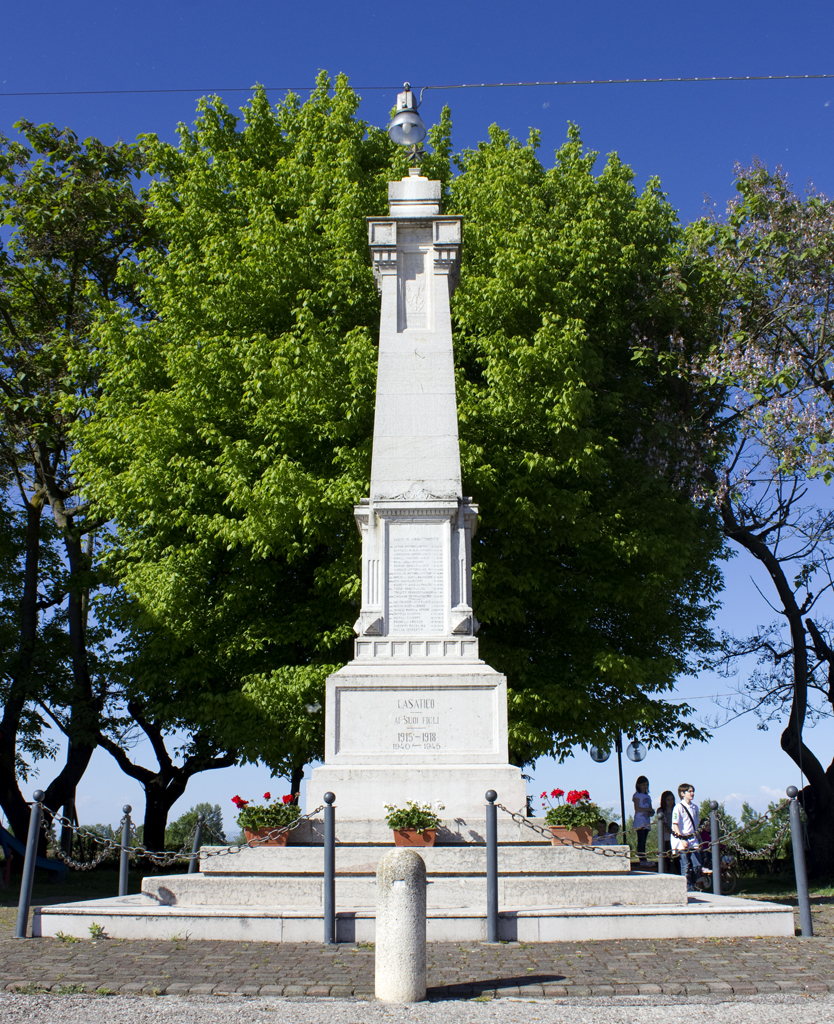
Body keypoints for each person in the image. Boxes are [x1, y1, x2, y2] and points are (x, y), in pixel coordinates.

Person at [671, 783, 712, 892]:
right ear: (683, 793)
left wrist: (698, 839)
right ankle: (686, 887)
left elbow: (696, 825)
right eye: (689, 791)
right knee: (685, 865)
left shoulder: (695, 807)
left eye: (692, 791)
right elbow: (675, 825)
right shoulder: (678, 807)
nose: (692, 793)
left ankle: (692, 883)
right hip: (682, 838)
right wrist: (681, 839)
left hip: (692, 838)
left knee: (697, 865)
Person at [632, 775, 653, 867]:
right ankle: (642, 859)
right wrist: (647, 810)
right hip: (640, 820)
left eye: (646, 784)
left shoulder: (648, 796)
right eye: (643, 784)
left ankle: (644, 858)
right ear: (639, 785)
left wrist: (651, 811)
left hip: (646, 820)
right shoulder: (637, 795)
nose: (645, 786)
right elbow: (637, 808)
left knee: (644, 840)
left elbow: (650, 808)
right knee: (641, 840)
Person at [656, 790, 678, 874]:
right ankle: (667, 871)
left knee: (676, 856)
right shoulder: (661, 810)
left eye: (672, 799)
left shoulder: (676, 809)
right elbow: (663, 824)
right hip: (666, 837)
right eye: (668, 799)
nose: (670, 802)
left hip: (675, 836)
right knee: (667, 856)